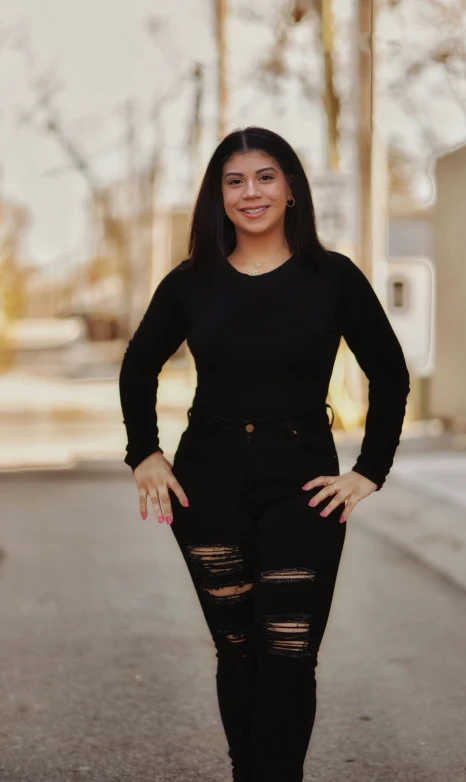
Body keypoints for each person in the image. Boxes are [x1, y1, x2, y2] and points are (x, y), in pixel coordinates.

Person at [119, 125, 410, 782]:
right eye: (234, 180)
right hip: (206, 484)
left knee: (289, 651)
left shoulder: (332, 278)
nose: (251, 192)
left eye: (265, 176)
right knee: (238, 652)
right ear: (218, 196)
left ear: (292, 189)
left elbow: (389, 374)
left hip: (302, 481)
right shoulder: (192, 282)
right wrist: (145, 454)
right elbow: (137, 370)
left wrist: (369, 471)